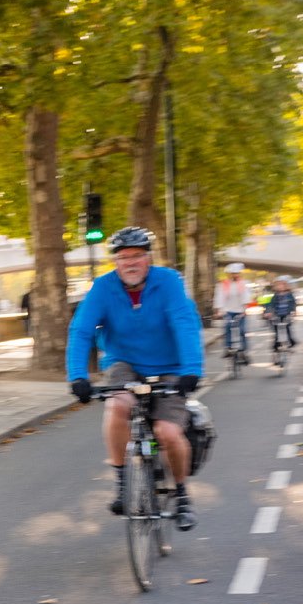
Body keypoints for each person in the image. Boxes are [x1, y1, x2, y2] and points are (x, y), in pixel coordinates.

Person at [66, 226, 203, 530]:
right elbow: (81, 330)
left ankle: (181, 494)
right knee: (117, 405)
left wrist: (192, 370)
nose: (131, 262)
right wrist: (78, 377)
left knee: (167, 432)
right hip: (124, 362)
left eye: (138, 256)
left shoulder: (168, 281)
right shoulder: (103, 287)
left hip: (171, 365)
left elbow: (184, 322)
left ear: (148, 258)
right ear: (116, 262)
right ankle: (123, 482)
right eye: (124, 257)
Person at [214, 262, 252, 363]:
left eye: (237, 273)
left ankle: (243, 351)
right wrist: (219, 310)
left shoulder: (243, 283)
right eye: (233, 273)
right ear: (229, 274)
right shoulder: (223, 284)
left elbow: (246, 296)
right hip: (228, 310)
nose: (235, 275)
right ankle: (228, 348)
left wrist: (245, 309)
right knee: (227, 327)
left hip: (240, 310)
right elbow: (220, 297)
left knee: (242, 330)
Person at [263, 276, 297, 355]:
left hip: (286, 314)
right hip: (277, 315)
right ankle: (276, 345)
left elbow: (293, 304)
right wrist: (269, 312)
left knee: (287, 329)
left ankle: (290, 344)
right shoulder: (275, 296)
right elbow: (271, 305)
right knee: (276, 330)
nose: (280, 286)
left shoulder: (289, 295)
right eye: (278, 285)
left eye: (282, 284)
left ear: (285, 285)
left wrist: (294, 312)